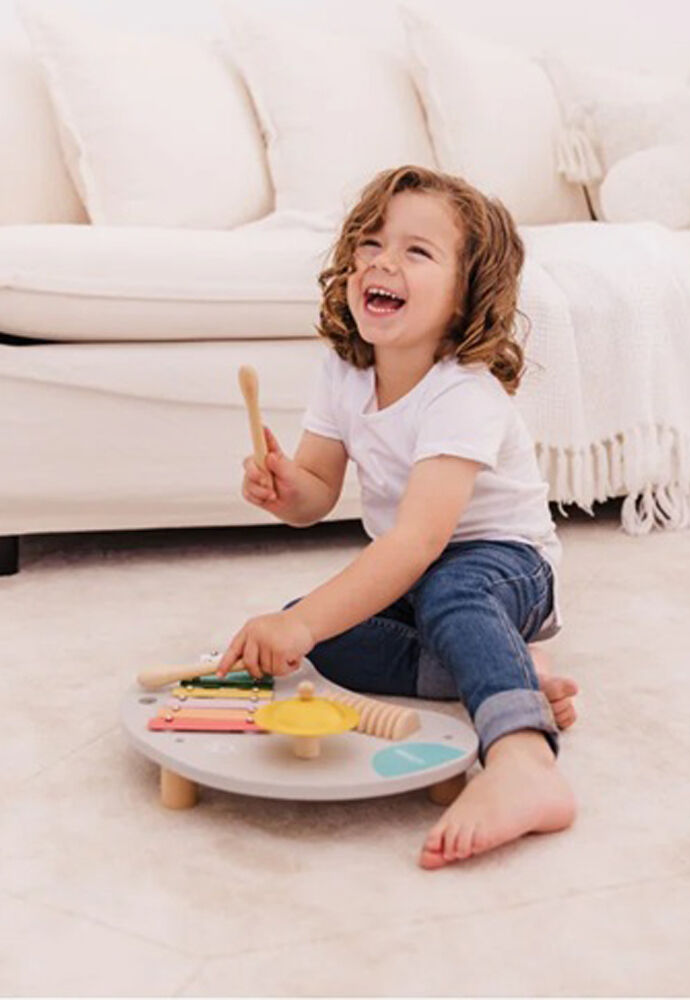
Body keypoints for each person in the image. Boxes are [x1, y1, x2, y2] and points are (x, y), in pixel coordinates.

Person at [217, 164, 579, 869]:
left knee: (438, 592)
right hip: (423, 576)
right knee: (319, 637)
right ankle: (499, 666)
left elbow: (418, 540)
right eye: (372, 242)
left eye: (417, 251)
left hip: (505, 566)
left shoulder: (463, 392)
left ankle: (524, 761)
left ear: (467, 294)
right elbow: (319, 489)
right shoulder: (347, 371)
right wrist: (286, 488)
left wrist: (300, 620)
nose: (383, 261)